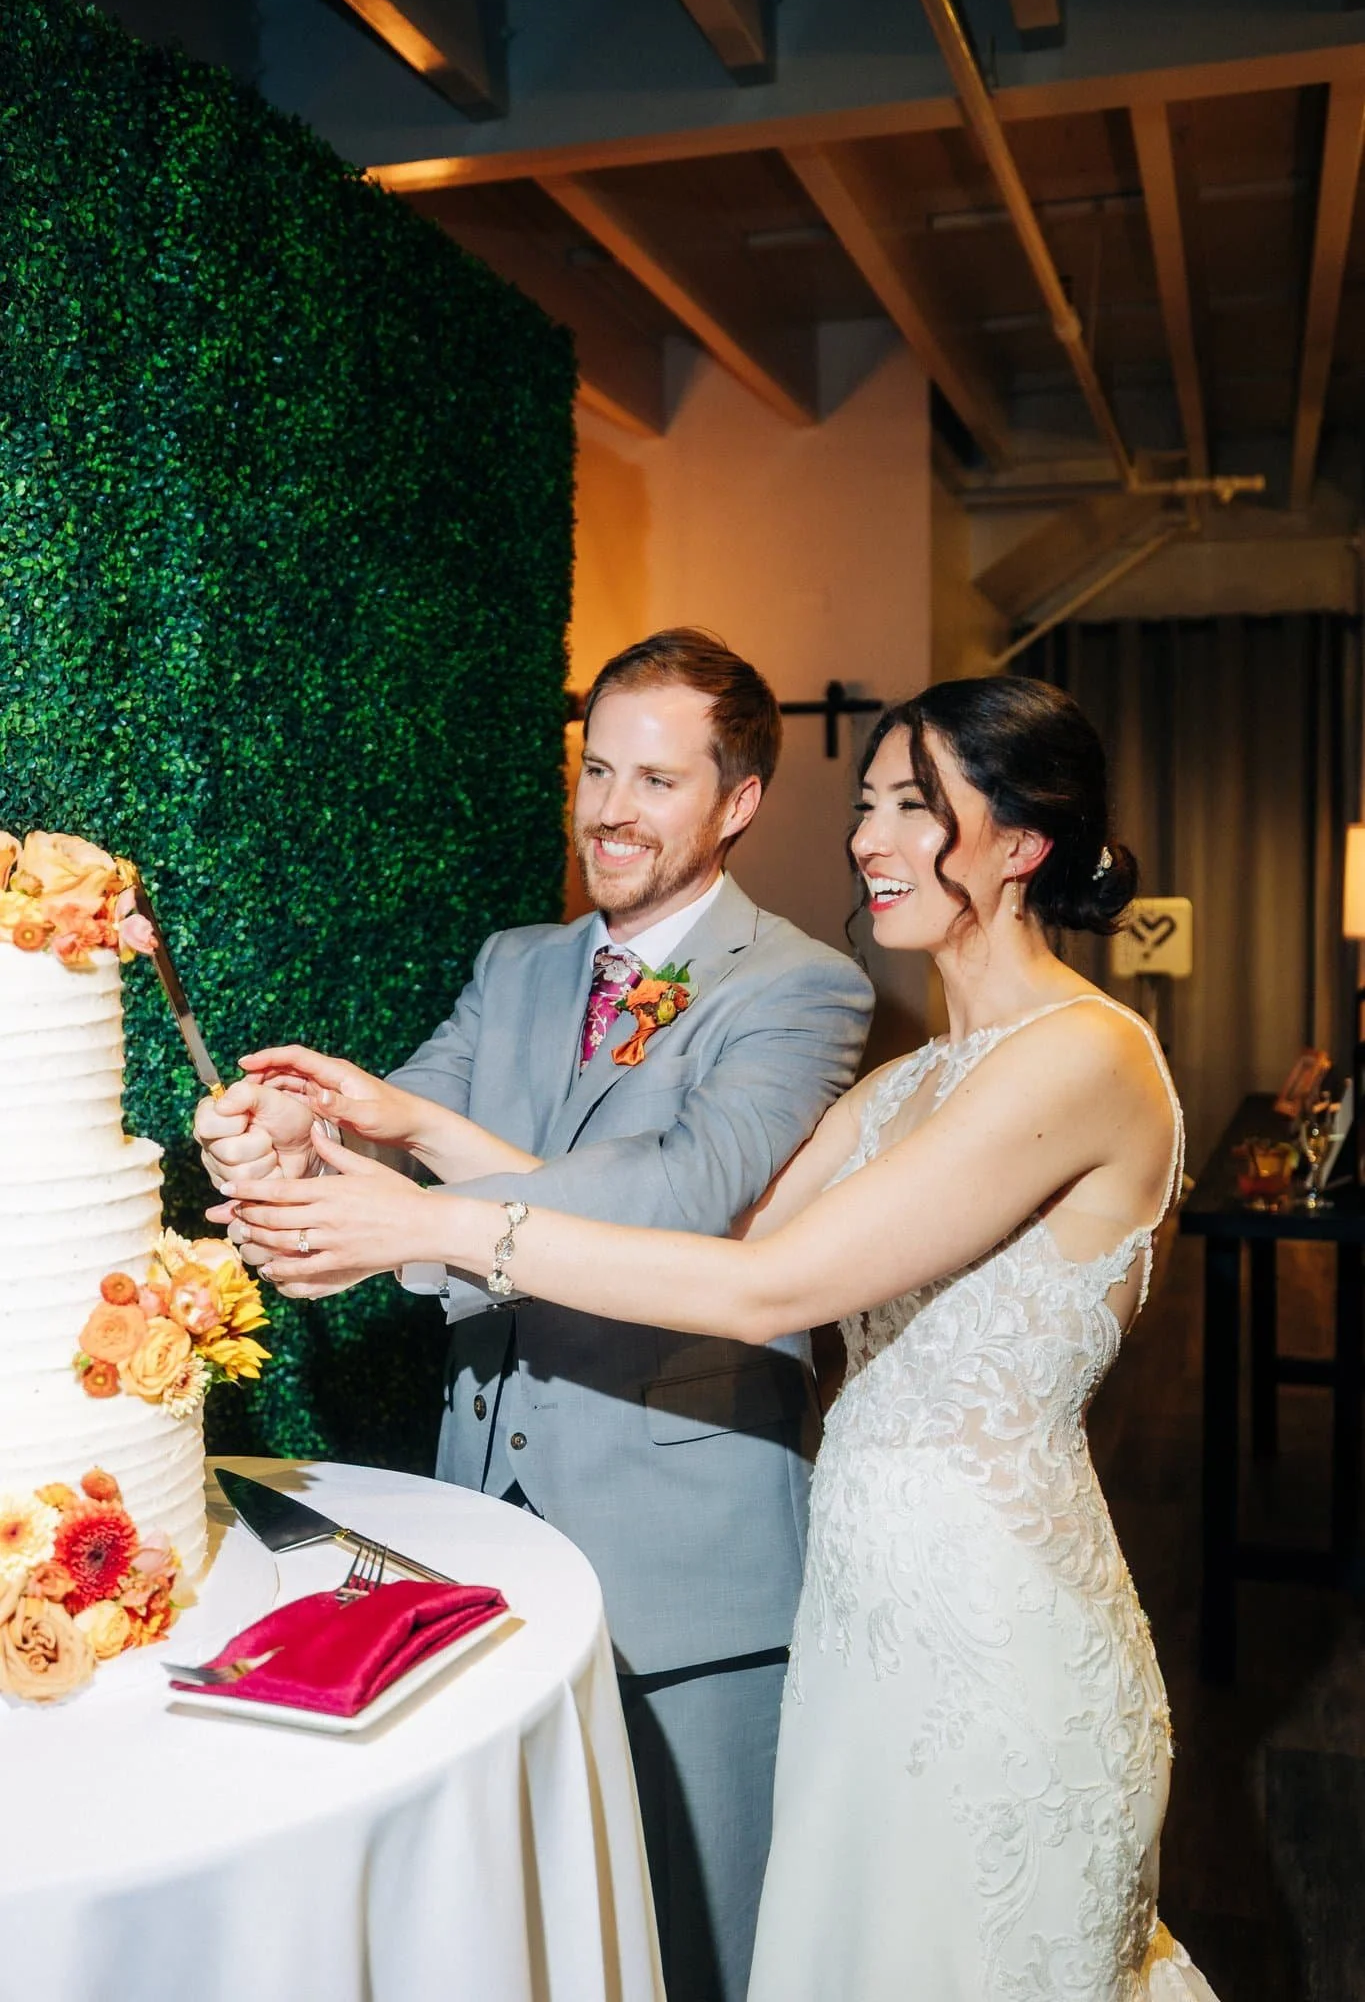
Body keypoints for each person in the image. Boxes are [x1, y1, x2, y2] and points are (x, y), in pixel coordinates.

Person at [225, 676, 1220, 2002]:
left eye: (914, 807)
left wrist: (438, 1227)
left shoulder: (1083, 1057)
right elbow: (704, 1247)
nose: (869, 838)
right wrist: (398, 1134)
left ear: (1023, 841)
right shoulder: (911, 1085)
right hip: (862, 1626)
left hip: (993, 1627)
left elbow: (768, 1296)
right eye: (866, 803)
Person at [196, 627, 875, 2002]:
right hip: (487, 1554)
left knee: (707, 1950)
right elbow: (389, 1141)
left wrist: (420, 1188)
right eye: (598, 771)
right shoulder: (516, 964)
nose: (612, 813)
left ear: (737, 803)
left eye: (658, 783)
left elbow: (686, 1187)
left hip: (689, 1567)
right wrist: (284, 1137)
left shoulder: (801, 984)